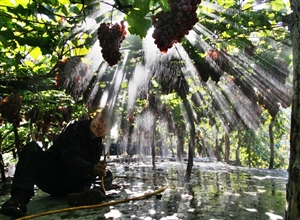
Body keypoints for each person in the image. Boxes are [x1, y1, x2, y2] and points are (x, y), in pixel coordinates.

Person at [0, 107, 114, 218]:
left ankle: (83, 194)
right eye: (100, 120)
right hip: (53, 177)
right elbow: (69, 159)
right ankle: (18, 200)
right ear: (94, 117)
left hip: (72, 184)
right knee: (32, 148)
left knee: (107, 174)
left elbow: (89, 169)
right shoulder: (75, 128)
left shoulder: (98, 144)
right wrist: (92, 169)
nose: (100, 125)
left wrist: (98, 171)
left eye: (105, 126)